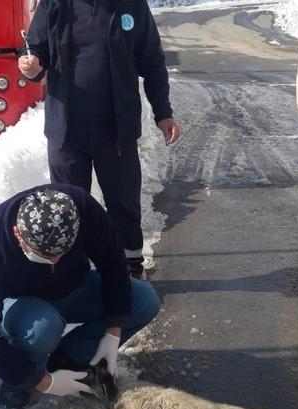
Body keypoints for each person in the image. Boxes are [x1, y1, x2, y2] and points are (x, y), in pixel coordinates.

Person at [0, 184, 161, 409]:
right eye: (44, 256)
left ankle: (66, 358)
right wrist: (46, 384)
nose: (54, 262)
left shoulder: (80, 207)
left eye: (62, 253)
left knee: (143, 301)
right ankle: (22, 375)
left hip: (74, 286)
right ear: (18, 234)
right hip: (21, 305)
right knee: (44, 327)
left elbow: (113, 264)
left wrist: (112, 334)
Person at [18, 0, 181, 278]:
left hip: (116, 129)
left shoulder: (132, 6)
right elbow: (34, 49)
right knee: (67, 205)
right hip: (66, 131)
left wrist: (163, 112)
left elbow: (152, 61)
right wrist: (31, 66)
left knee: (123, 202)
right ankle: (73, 272)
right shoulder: (56, 5)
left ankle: (130, 267)